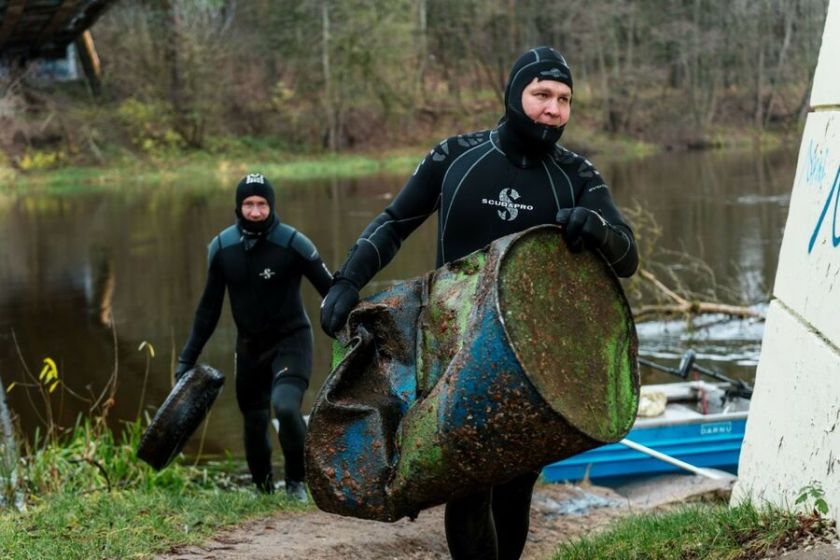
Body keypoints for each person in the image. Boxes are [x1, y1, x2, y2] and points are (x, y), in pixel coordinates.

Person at [320, 47, 638, 559]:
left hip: (532, 357)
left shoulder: (575, 174)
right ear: (514, 94)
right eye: (541, 95)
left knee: (515, 485)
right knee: (465, 481)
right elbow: (395, 222)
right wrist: (346, 279)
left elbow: (627, 256)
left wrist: (597, 229)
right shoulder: (457, 157)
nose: (553, 109)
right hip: (456, 342)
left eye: (564, 99)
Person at [176, 172, 332, 501]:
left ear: (272, 206)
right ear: (238, 207)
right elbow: (208, 310)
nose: (256, 211)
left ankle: (297, 483)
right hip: (249, 348)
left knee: (286, 408)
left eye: (262, 204)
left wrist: (354, 325)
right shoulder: (221, 249)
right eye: (249, 204)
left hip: (292, 341)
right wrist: (186, 359)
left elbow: (331, 292)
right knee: (253, 420)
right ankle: (262, 491)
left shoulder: (293, 244)